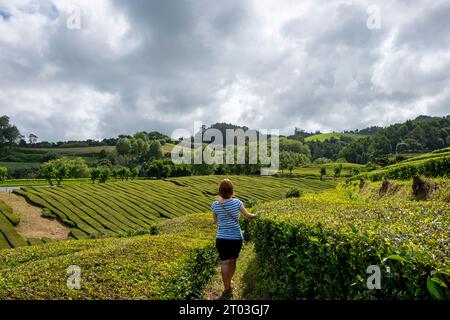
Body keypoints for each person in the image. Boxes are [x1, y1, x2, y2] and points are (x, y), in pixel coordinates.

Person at [211, 178, 256, 299]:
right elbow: (247, 216)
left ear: (220, 191)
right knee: (232, 261)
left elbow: (215, 221)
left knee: (224, 262)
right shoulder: (237, 202)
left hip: (221, 238)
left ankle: (226, 287)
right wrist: (256, 215)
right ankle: (229, 282)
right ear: (232, 191)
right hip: (236, 237)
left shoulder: (215, 205)